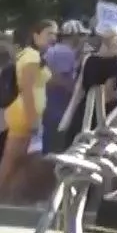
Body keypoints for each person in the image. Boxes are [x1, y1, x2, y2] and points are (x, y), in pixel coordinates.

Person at [0, 20, 57, 197]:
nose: (53, 38)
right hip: (25, 115)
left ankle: (13, 196)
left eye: (55, 34)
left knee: (22, 160)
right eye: (49, 33)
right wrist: (33, 119)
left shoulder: (34, 55)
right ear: (36, 35)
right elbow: (27, 88)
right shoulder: (31, 56)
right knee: (12, 160)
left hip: (28, 114)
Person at [38, 21, 84, 156]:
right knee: (55, 148)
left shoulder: (55, 50)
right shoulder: (65, 52)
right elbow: (57, 78)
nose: (83, 39)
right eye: (81, 35)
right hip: (58, 108)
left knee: (48, 144)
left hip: (49, 105)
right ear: (74, 36)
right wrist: (77, 91)